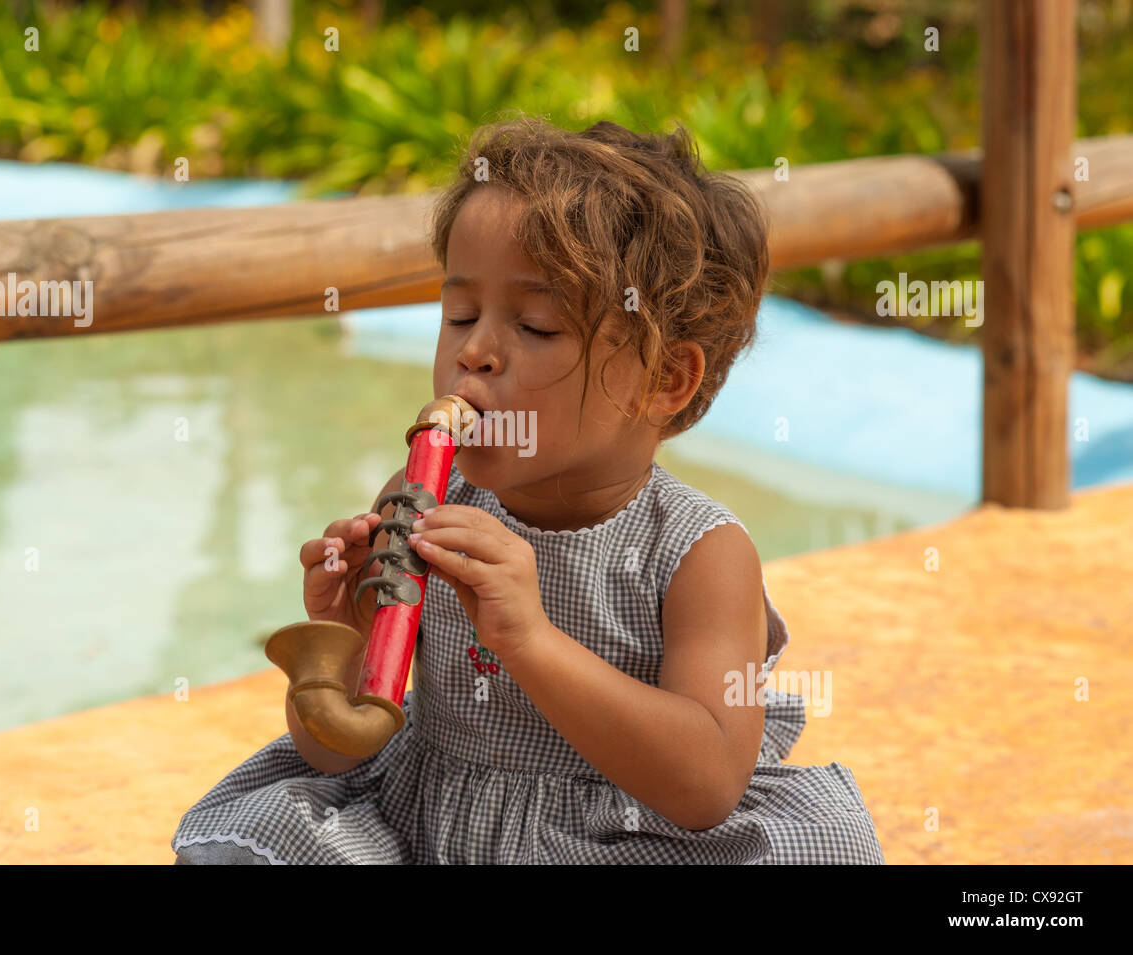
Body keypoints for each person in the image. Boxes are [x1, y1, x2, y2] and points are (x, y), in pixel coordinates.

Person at [171, 115, 885, 864]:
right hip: (425, 823)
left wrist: (529, 639)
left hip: (612, 841)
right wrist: (344, 642)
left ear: (664, 380)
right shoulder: (422, 503)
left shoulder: (701, 556)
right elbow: (334, 754)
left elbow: (706, 780)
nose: (474, 352)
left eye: (537, 326)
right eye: (459, 315)